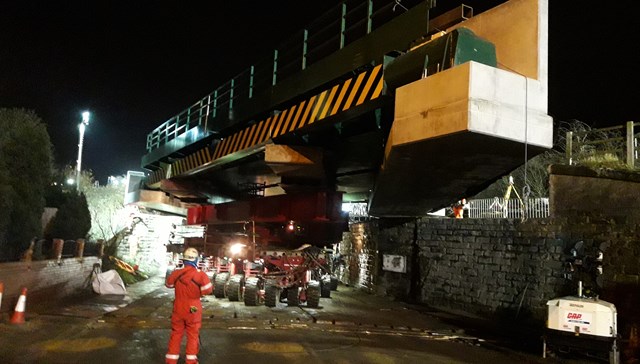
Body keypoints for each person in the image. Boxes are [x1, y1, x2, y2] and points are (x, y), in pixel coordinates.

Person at [165, 247, 213, 364]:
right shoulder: (200, 275)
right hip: (193, 308)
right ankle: (191, 361)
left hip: (178, 307)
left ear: (184, 260)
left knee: (176, 334)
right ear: (196, 260)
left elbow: (168, 284)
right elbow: (208, 290)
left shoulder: (176, 273)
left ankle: (171, 360)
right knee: (192, 335)